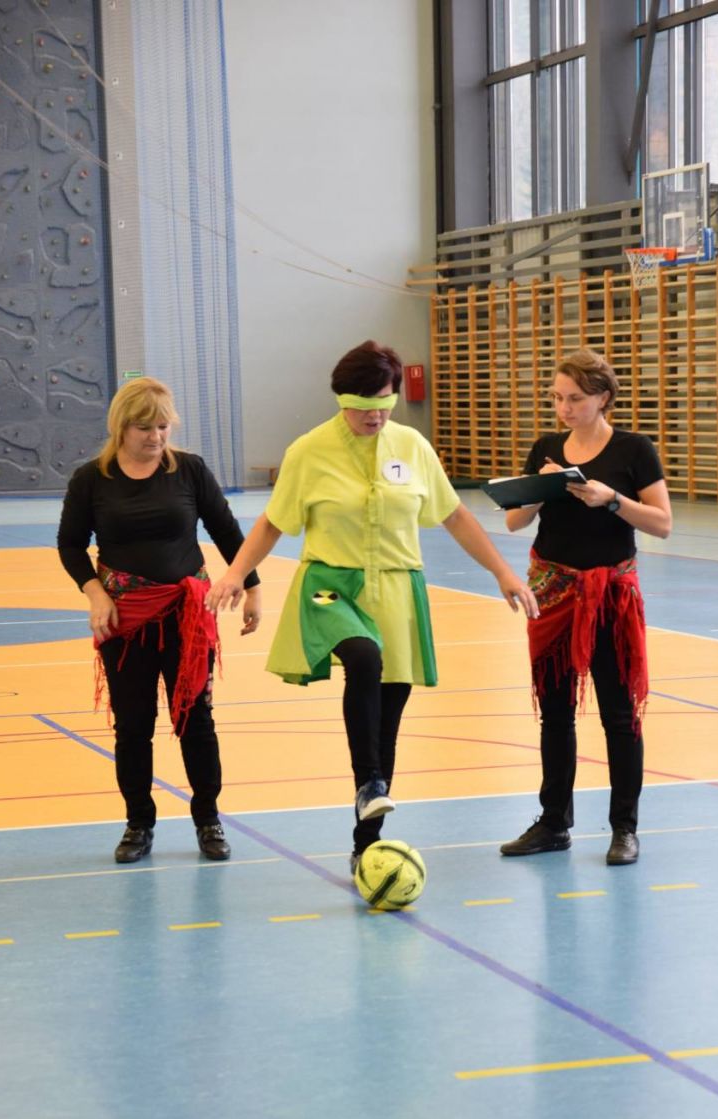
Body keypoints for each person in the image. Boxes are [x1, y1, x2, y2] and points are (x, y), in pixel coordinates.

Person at [206, 340, 538, 873]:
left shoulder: (411, 446)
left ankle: (367, 841)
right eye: (362, 406)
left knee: (388, 716)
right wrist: (235, 574)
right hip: (328, 587)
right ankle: (369, 783)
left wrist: (502, 572)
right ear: (341, 400)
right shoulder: (309, 451)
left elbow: (454, 516)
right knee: (363, 657)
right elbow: (272, 523)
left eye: (384, 403)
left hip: (398, 590)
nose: (374, 416)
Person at [57, 376, 261, 864]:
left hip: (188, 619)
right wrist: (95, 594)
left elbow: (227, 531)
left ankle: (208, 819)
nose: (157, 436)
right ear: (121, 427)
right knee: (133, 726)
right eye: (145, 428)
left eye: (164, 426)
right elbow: (70, 544)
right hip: (125, 623)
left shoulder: (189, 470)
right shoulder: (91, 479)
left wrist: (251, 588)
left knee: (196, 721)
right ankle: (138, 824)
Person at [499, 347, 672, 866]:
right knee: (554, 713)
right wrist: (543, 488)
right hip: (553, 592)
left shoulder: (633, 449)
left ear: (602, 398)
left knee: (619, 714)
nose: (564, 408)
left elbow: (662, 523)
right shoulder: (547, 447)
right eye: (557, 398)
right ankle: (554, 822)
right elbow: (514, 521)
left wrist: (610, 499)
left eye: (574, 398)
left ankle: (625, 828)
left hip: (610, 597)